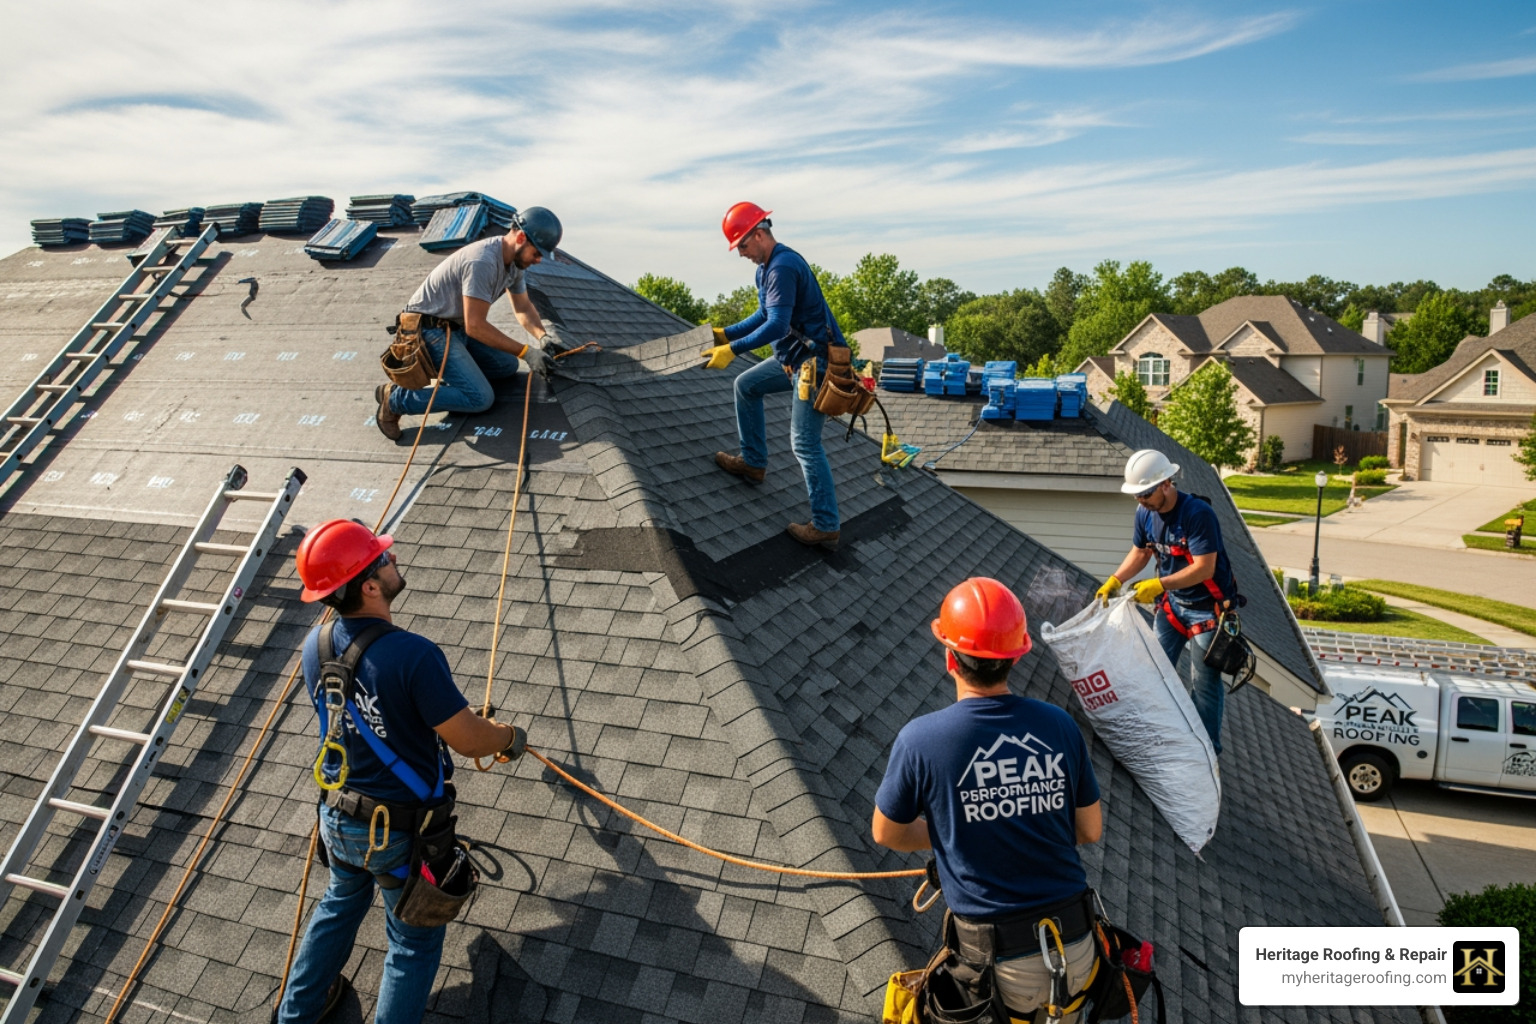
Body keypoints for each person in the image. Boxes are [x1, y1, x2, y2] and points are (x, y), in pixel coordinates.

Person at [278, 520, 527, 1024]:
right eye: (385, 560)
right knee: (412, 942)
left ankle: (297, 1014)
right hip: (394, 832)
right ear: (369, 585)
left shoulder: (317, 646)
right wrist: (507, 739)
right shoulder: (413, 656)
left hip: (340, 815)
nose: (395, 561)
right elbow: (466, 737)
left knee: (340, 901)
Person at [872, 578, 1103, 1022]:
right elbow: (1089, 830)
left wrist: (955, 830)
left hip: (999, 964)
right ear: (1016, 656)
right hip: (1076, 949)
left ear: (948, 657)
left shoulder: (923, 740)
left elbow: (886, 831)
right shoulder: (1058, 725)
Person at [701, 202, 848, 550]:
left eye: (743, 246)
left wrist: (732, 351)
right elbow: (764, 314)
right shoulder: (765, 269)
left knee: (805, 444)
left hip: (815, 367)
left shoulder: (783, 266)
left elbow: (778, 326)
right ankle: (753, 463)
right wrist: (726, 334)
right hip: (793, 363)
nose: (741, 254)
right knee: (746, 386)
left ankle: (826, 524)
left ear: (760, 233)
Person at [375, 207, 569, 440]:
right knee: (479, 398)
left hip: (455, 329)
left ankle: (456, 374)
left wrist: (542, 336)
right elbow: (475, 326)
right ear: (520, 238)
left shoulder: (515, 266)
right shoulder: (483, 261)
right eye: (537, 254)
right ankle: (395, 399)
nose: (537, 261)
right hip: (428, 332)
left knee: (506, 366)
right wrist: (527, 352)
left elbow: (523, 308)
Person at [1095, 449, 1237, 754]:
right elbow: (1141, 552)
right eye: (1136, 495)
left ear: (1166, 484)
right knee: (1154, 670)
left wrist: (1159, 583)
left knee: (1204, 684)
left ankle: (1206, 750)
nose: (1140, 500)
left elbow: (1204, 568)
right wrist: (1116, 579)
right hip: (1173, 607)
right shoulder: (1145, 514)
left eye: (1144, 493)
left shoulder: (1197, 515)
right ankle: (1151, 735)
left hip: (1208, 612)